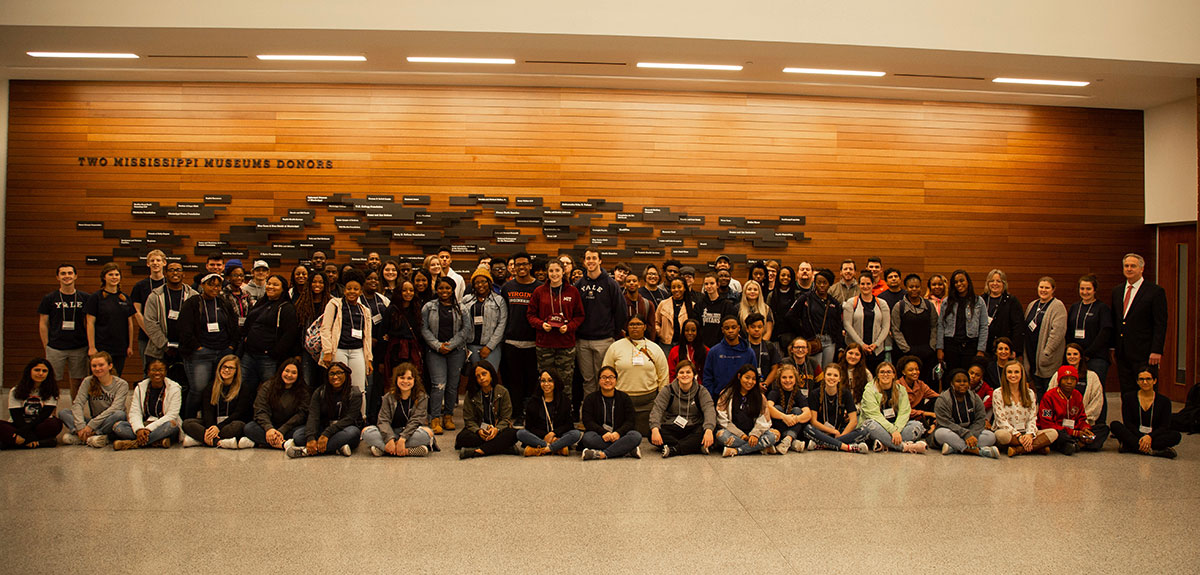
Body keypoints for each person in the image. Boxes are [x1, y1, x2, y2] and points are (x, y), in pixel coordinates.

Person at [179, 272, 239, 417]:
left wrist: (231, 346)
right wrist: (197, 347)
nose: (215, 288)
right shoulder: (192, 303)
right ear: (202, 285)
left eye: (218, 286)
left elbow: (233, 325)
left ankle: (209, 421)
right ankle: (188, 422)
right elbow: (184, 328)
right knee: (198, 390)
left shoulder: (223, 302)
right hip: (201, 353)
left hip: (223, 352)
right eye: (211, 285)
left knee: (217, 389)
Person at [527, 260, 584, 405]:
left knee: (565, 382)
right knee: (545, 381)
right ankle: (545, 413)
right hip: (544, 344)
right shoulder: (539, 291)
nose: (554, 274)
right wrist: (541, 325)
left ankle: (564, 414)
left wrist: (569, 327)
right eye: (551, 271)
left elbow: (580, 316)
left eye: (557, 271)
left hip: (566, 344)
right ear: (547, 272)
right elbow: (530, 315)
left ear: (563, 271)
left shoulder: (572, 291)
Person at [574, 248, 627, 404]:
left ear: (600, 261)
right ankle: (588, 416)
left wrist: (613, 333)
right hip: (582, 340)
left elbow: (621, 311)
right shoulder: (579, 284)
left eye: (594, 258)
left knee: (603, 380)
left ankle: (604, 414)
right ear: (584, 262)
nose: (591, 261)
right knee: (588, 381)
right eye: (588, 258)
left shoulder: (610, 284)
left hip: (604, 340)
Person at [1111, 253, 1167, 394]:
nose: (1129, 269)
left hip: (1145, 352)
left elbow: (1160, 323)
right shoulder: (1117, 291)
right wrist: (1113, 347)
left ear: (1141, 268)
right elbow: (1116, 321)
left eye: (1133, 266)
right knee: (1126, 391)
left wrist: (1157, 350)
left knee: (1146, 391)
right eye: (1126, 266)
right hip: (1122, 352)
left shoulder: (1155, 292)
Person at [604, 315, 670, 435]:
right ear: (627, 327)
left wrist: (661, 400)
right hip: (621, 401)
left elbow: (663, 375)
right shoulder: (615, 347)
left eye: (638, 324)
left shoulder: (655, 348)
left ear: (645, 327)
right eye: (632, 324)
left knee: (646, 433)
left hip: (648, 402)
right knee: (621, 432)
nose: (635, 327)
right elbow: (606, 373)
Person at [320, 269, 373, 418]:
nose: (352, 291)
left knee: (359, 388)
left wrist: (369, 359)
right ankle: (338, 418)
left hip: (358, 352)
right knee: (339, 386)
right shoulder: (334, 304)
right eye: (349, 288)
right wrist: (328, 351)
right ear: (344, 289)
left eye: (356, 289)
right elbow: (325, 329)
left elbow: (367, 336)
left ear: (360, 291)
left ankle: (360, 419)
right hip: (339, 350)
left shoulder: (365, 310)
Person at [239, 274, 298, 407]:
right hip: (249, 355)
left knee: (270, 391)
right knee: (244, 389)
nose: (270, 287)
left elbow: (289, 334)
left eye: (275, 285)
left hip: (268, 359)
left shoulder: (286, 308)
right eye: (269, 283)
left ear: (283, 289)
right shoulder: (261, 302)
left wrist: (274, 353)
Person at [421, 276, 470, 434]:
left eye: (448, 288)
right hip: (435, 351)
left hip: (456, 351)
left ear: (453, 289)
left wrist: (451, 345)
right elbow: (424, 329)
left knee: (452, 386)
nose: (444, 291)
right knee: (438, 385)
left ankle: (448, 416)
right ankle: (435, 418)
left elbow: (466, 330)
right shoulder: (429, 307)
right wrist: (437, 345)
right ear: (436, 289)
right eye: (441, 288)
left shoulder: (462, 308)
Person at [499, 251, 542, 426]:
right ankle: (515, 413)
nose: (521, 267)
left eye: (524, 264)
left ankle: (529, 414)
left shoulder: (539, 288)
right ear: (513, 267)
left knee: (531, 382)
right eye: (518, 265)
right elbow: (503, 315)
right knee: (513, 382)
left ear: (530, 266)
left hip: (533, 343)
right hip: (511, 342)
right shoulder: (507, 288)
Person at [286, 362, 362, 458]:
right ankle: (336, 448)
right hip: (324, 427)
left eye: (339, 373)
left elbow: (350, 418)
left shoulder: (355, 393)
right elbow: (313, 416)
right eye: (332, 374)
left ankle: (306, 451)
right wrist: (311, 438)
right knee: (298, 435)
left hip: (344, 428)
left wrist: (327, 434)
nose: (335, 377)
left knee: (353, 433)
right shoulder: (320, 392)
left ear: (346, 374)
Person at [39, 263, 91, 397]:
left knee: (77, 381)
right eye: (63, 274)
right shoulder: (49, 298)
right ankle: (52, 412)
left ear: (75, 276)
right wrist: (46, 345)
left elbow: (90, 322)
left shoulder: (85, 298)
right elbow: (43, 323)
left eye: (69, 273)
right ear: (57, 277)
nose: (66, 276)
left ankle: (75, 411)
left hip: (79, 346)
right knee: (52, 381)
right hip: (56, 347)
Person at [362, 362, 434, 457]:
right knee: (366, 432)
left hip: (411, 433)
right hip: (391, 432)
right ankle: (407, 450)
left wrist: (403, 439)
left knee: (427, 434)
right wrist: (389, 439)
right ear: (396, 379)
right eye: (402, 378)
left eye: (409, 378)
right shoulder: (388, 397)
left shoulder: (421, 397)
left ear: (414, 380)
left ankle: (384, 449)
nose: (405, 381)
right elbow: (383, 420)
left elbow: (417, 420)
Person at [182, 354, 253, 449]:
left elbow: (238, 413)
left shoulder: (243, 388)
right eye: (224, 367)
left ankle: (201, 439)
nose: (227, 370)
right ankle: (219, 442)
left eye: (231, 368)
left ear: (236, 371)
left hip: (229, 424)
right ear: (219, 368)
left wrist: (218, 428)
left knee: (238, 426)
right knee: (187, 423)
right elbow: (207, 411)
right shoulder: (211, 387)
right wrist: (211, 428)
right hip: (213, 423)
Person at [60, 352, 129, 447]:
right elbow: (78, 404)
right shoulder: (88, 381)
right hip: (94, 421)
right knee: (64, 412)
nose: (97, 369)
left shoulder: (121, 384)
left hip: (108, 422)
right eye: (94, 366)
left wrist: (91, 426)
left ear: (110, 366)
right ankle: (87, 436)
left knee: (119, 414)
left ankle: (92, 435)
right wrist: (81, 426)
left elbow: (115, 408)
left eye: (101, 365)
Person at [110, 358, 182, 450]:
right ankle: (156, 441)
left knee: (171, 425)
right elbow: (134, 412)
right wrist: (139, 429)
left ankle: (134, 443)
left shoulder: (174, 388)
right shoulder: (140, 387)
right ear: (148, 372)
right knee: (118, 427)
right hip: (144, 424)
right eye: (153, 370)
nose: (157, 373)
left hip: (162, 425)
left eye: (160, 370)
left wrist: (149, 429)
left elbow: (172, 415)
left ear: (166, 372)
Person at [649, 360, 716, 457]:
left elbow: (709, 410)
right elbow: (657, 409)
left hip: (693, 426)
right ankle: (693, 446)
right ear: (677, 375)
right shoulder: (668, 390)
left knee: (710, 431)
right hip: (673, 426)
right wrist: (655, 429)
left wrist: (709, 429)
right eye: (681, 372)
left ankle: (674, 449)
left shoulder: (701, 391)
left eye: (688, 372)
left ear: (694, 375)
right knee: (651, 432)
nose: (685, 375)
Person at [142, 262, 196, 383]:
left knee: (185, 385)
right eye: (171, 270)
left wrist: (188, 344)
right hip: (159, 350)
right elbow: (150, 322)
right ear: (166, 274)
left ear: (183, 274)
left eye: (178, 270)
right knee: (156, 384)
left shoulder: (193, 295)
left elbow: (197, 323)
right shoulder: (155, 296)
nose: (175, 273)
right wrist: (165, 345)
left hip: (186, 350)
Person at [1037, 365, 1109, 454]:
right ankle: (1077, 444)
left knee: (1103, 429)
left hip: (1075, 431)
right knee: (1057, 434)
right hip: (1059, 431)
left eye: (1073, 379)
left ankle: (1076, 444)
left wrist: (1085, 429)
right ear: (1059, 381)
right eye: (1065, 379)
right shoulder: (1049, 396)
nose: (1069, 382)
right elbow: (1046, 424)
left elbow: (1081, 418)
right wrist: (1075, 433)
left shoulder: (1077, 395)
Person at [1110, 367, 1180, 458]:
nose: (1145, 382)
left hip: (1154, 435)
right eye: (1141, 379)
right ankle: (1153, 450)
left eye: (1148, 379)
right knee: (1115, 425)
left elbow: (1164, 426)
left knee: (1176, 435)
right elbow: (1128, 423)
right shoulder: (1128, 398)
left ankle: (1131, 447)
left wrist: (1149, 437)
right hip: (1135, 433)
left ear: (1154, 381)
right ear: (1137, 381)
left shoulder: (1165, 401)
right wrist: (1141, 438)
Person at [992, 360, 1057, 457]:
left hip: (1026, 431)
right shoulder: (998, 393)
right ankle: (1037, 447)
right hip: (1009, 433)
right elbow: (1001, 421)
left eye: (1016, 372)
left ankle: (1018, 449)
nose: (1013, 375)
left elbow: (1032, 418)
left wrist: (1029, 434)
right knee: (1001, 435)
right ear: (1005, 375)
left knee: (1053, 433)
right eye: (1009, 372)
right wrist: (1018, 436)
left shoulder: (1030, 393)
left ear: (1022, 374)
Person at [456, 361, 520, 459]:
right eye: (478, 376)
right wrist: (478, 431)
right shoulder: (471, 394)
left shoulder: (502, 392)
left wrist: (496, 430)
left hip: (498, 429)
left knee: (514, 434)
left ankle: (478, 451)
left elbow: (506, 418)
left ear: (491, 374)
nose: (481, 378)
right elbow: (469, 420)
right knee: (461, 438)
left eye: (484, 374)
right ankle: (503, 448)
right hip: (479, 430)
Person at [860, 362, 928, 453]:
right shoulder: (869, 390)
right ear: (877, 375)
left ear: (893, 375)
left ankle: (885, 443)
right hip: (878, 426)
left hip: (896, 425)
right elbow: (874, 415)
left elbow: (904, 413)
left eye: (888, 372)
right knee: (869, 424)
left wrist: (896, 430)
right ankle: (905, 447)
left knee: (917, 426)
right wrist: (892, 431)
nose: (885, 374)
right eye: (882, 372)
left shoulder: (901, 390)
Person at [244, 357, 311, 450]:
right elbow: (260, 409)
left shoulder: (303, 391)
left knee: (300, 436)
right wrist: (269, 428)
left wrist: (282, 430)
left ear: (299, 375)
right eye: (286, 371)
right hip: (270, 427)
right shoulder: (268, 386)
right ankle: (283, 444)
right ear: (281, 371)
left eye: (294, 373)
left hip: (290, 428)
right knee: (249, 428)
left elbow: (301, 415)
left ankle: (268, 442)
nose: (289, 375)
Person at [932, 368, 1000, 458]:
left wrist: (971, 435)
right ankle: (978, 451)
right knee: (940, 433)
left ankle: (955, 448)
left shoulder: (975, 398)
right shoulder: (943, 399)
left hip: (971, 431)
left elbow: (980, 419)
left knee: (991, 436)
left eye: (965, 381)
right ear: (951, 383)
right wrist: (965, 435)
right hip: (951, 431)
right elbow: (945, 423)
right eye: (958, 381)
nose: (962, 384)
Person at [714, 364, 780, 457]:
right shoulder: (726, 394)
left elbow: (764, 419)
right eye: (747, 378)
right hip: (734, 433)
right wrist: (741, 435)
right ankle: (760, 447)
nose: (750, 382)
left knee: (775, 435)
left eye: (753, 379)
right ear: (739, 376)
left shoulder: (760, 397)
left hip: (754, 434)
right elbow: (722, 420)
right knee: (721, 435)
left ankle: (736, 451)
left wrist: (755, 434)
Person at [580, 366, 643, 460]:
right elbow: (588, 421)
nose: (607, 380)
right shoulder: (590, 398)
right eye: (604, 377)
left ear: (616, 380)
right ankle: (625, 449)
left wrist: (618, 433)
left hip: (619, 435)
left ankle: (602, 454)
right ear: (599, 380)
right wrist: (603, 433)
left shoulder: (624, 397)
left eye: (611, 377)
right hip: (600, 435)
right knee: (587, 438)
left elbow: (630, 421)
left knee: (636, 436)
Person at [803, 363, 869, 453]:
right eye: (829, 374)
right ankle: (847, 447)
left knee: (864, 431)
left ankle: (823, 445)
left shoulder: (845, 393)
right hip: (821, 431)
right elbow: (814, 422)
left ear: (839, 379)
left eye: (835, 375)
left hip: (840, 431)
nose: (832, 378)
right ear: (824, 377)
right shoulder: (815, 394)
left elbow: (853, 421)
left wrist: (841, 435)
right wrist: (832, 431)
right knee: (808, 429)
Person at [85, 262, 136, 377]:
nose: (114, 277)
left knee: (116, 377)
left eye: (117, 275)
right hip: (101, 346)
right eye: (111, 274)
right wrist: (92, 347)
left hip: (120, 347)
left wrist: (130, 346)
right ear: (104, 277)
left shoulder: (125, 298)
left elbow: (130, 324)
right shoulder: (96, 298)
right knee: (99, 377)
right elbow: (90, 323)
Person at [0, 358, 64, 449]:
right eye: (37, 370)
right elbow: (16, 416)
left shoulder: (51, 391)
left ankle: (11, 444)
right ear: (29, 371)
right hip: (18, 426)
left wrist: (26, 435)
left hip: (39, 425)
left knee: (55, 424)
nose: (41, 373)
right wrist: (29, 436)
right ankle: (42, 443)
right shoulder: (15, 390)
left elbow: (44, 416)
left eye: (44, 371)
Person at [517, 369, 582, 456]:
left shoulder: (564, 400)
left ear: (555, 382)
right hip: (539, 437)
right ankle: (556, 448)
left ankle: (541, 449)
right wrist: (545, 436)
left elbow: (569, 425)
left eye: (550, 381)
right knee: (520, 433)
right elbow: (529, 426)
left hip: (558, 436)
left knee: (576, 434)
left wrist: (553, 433)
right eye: (543, 381)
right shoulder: (533, 401)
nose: (546, 384)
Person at [890, 273, 938, 385]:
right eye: (911, 287)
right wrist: (907, 349)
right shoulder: (899, 306)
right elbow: (895, 329)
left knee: (927, 383)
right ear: (906, 288)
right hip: (906, 353)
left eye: (917, 287)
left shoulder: (929, 305)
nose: (914, 289)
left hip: (927, 353)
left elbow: (935, 326)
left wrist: (932, 346)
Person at [937, 269, 988, 373]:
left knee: (968, 376)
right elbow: (941, 325)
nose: (959, 284)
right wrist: (940, 348)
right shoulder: (947, 302)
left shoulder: (978, 301)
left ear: (968, 282)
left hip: (971, 345)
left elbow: (983, 326)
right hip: (951, 345)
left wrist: (981, 350)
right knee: (951, 375)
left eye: (961, 281)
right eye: (955, 282)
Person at [1067, 274, 1113, 386]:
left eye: (1088, 289)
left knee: (1095, 391)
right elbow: (1068, 330)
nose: (1085, 292)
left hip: (1096, 357)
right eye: (1082, 289)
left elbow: (1105, 333)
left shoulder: (1102, 308)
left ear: (1095, 290)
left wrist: (1087, 353)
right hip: (1076, 358)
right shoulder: (1075, 307)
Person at [791, 268, 844, 366]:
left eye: (825, 283)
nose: (822, 285)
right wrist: (803, 332)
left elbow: (838, 326)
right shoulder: (806, 298)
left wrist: (840, 347)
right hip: (812, 340)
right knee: (815, 369)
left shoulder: (834, 303)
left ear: (830, 284)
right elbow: (791, 316)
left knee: (827, 369)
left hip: (829, 341)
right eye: (819, 282)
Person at [1024, 276, 1068, 392]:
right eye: (1041, 287)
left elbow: (1058, 333)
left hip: (1047, 359)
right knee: (1037, 392)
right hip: (1032, 355)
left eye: (1047, 288)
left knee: (1048, 393)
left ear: (1053, 290)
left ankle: (1047, 411)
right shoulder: (1032, 304)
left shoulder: (1057, 306)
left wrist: (1046, 353)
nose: (1043, 290)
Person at [460, 268, 507, 371]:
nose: (480, 285)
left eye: (483, 281)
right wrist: (464, 346)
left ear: (489, 283)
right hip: (470, 346)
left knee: (490, 376)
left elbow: (502, 324)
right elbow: (460, 323)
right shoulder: (466, 300)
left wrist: (489, 347)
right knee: (474, 377)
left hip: (491, 348)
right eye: (477, 282)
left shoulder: (499, 301)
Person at [1047, 344, 1106, 426]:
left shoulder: (1092, 376)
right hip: (1061, 421)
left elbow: (1097, 401)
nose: (1072, 357)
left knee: (1102, 430)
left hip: (1084, 421)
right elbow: (1050, 398)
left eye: (1075, 354)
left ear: (1081, 356)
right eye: (1069, 354)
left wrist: (1082, 418)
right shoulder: (1057, 375)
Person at [382, 280, 424, 396]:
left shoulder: (416, 308)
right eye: (404, 290)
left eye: (411, 290)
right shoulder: (391, 309)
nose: (408, 293)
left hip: (413, 351)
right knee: (395, 380)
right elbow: (383, 332)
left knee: (412, 380)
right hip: (395, 351)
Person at [360, 270, 391, 423]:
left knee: (379, 385)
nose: (373, 281)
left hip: (381, 348)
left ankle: (375, 416)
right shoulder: (358, 300)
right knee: (367, 384)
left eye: (375, 279)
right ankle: (365, 416)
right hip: (363, 348)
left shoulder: (383, 299)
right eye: (369, 278)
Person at [843, 271, 890, 372]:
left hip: (876, 351)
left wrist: (876, 344)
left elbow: (886, 326)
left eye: (868, 283)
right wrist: (861, 344)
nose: (865, 286)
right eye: (862, 284)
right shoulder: (851, 303)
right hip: (855, 351)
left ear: (873, 284)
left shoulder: (882, 304)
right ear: (859, 285)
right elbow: (847, 325)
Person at [130, 249, 167, 375]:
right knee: (148, 370)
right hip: (146, 336)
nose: (155, 263)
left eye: (158, 260)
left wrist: (160, 335)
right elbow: (137, 312)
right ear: (147, 264)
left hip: (166, 335)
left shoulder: (170, 284)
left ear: (164, 263)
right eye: (152, 260)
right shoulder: (140, 286)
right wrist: (151, 332)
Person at [702, 316, 757, 398]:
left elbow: (753, 377)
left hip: (743, 398)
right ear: (722, 330)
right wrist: (711, 396)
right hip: (718, 397)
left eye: (733, 327)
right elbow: (707, 377)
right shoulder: (714, 352)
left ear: (739, 328)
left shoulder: (749, 352)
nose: (730, 331)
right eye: (727, 328)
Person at [765, 363, 813, 454]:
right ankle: (792, 442)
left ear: (795, 379)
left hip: (793, 425)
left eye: (791, 377)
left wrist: (795, 418)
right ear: (779, 379)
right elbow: (768, 408)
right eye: (784, 377)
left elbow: (808, 413)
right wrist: (784, 417)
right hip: (777, 427)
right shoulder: (775, 391)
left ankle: (788, 440)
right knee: (777, 408)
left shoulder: (797, 393)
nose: (788, 380)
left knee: (797, 411)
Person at [982, 269, 1025, 359]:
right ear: (987, 283)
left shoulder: (1012, 301)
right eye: (992, 281)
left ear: (1004, 284)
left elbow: (1018, 326)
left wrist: (1015, 349)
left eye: (999, 281)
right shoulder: (981, 300)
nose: (995, 284)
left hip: (1004, 349)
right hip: (985, 347)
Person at [696, 273, 739, 347]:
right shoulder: (699, 305)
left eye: (712, 283)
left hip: (722, 346)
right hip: (703, 346)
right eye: (706, 284)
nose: (709, 286)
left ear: (718, 285)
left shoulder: (727, 305)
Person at [896, 355, 939, 428]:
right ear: (903, 372)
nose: (915, 372)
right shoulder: (897, 385)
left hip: (918, 414)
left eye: (917, 369)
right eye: (911, 370)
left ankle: (932, 426)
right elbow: (903, 410)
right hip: (903, 415)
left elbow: (936, 396)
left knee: (937, 400)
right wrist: (928, 413)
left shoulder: (920, 384)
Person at [655, 278, 695, 348]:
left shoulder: (692, 305)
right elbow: (656, 322)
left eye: (679, 287)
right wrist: (660, 333)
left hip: (684, 344)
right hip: (665, 343)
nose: (676, 290)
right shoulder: (663, 304)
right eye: (673, 287)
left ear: (685, 288)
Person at [745, 313, 782, 388]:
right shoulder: (742, 346)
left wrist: (765, 384)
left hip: (765, 387)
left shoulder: (769, 346)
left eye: (759, 327)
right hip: (745, 386)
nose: (756, 329)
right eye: (753, 327)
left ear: (763, 328)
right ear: (747, 329)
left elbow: (775, 368)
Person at [667, 319, 708, 385]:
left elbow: (707, 374)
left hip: (699, 388)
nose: (690, 333)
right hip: (679, 387)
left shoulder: (706, 351)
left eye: (693, 330)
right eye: (686, 330)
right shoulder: (674, 351)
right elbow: (671, 374)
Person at [621, 272, 658, 342]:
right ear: (625, 285)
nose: (631, 283)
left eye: (634, 281)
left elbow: (651, 328)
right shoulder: (619, 303)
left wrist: (651, 343)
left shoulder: (648, 304)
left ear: (639, 284)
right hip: (624, 342)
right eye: (628, 281)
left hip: (643, 342)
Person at [768, 266, 798, 344]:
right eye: (783, 275)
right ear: (778, 277)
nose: (786, 278)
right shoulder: (771, 295)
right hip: (775, 334)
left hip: (793, 334)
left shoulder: (797, 295)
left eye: (789, 276)